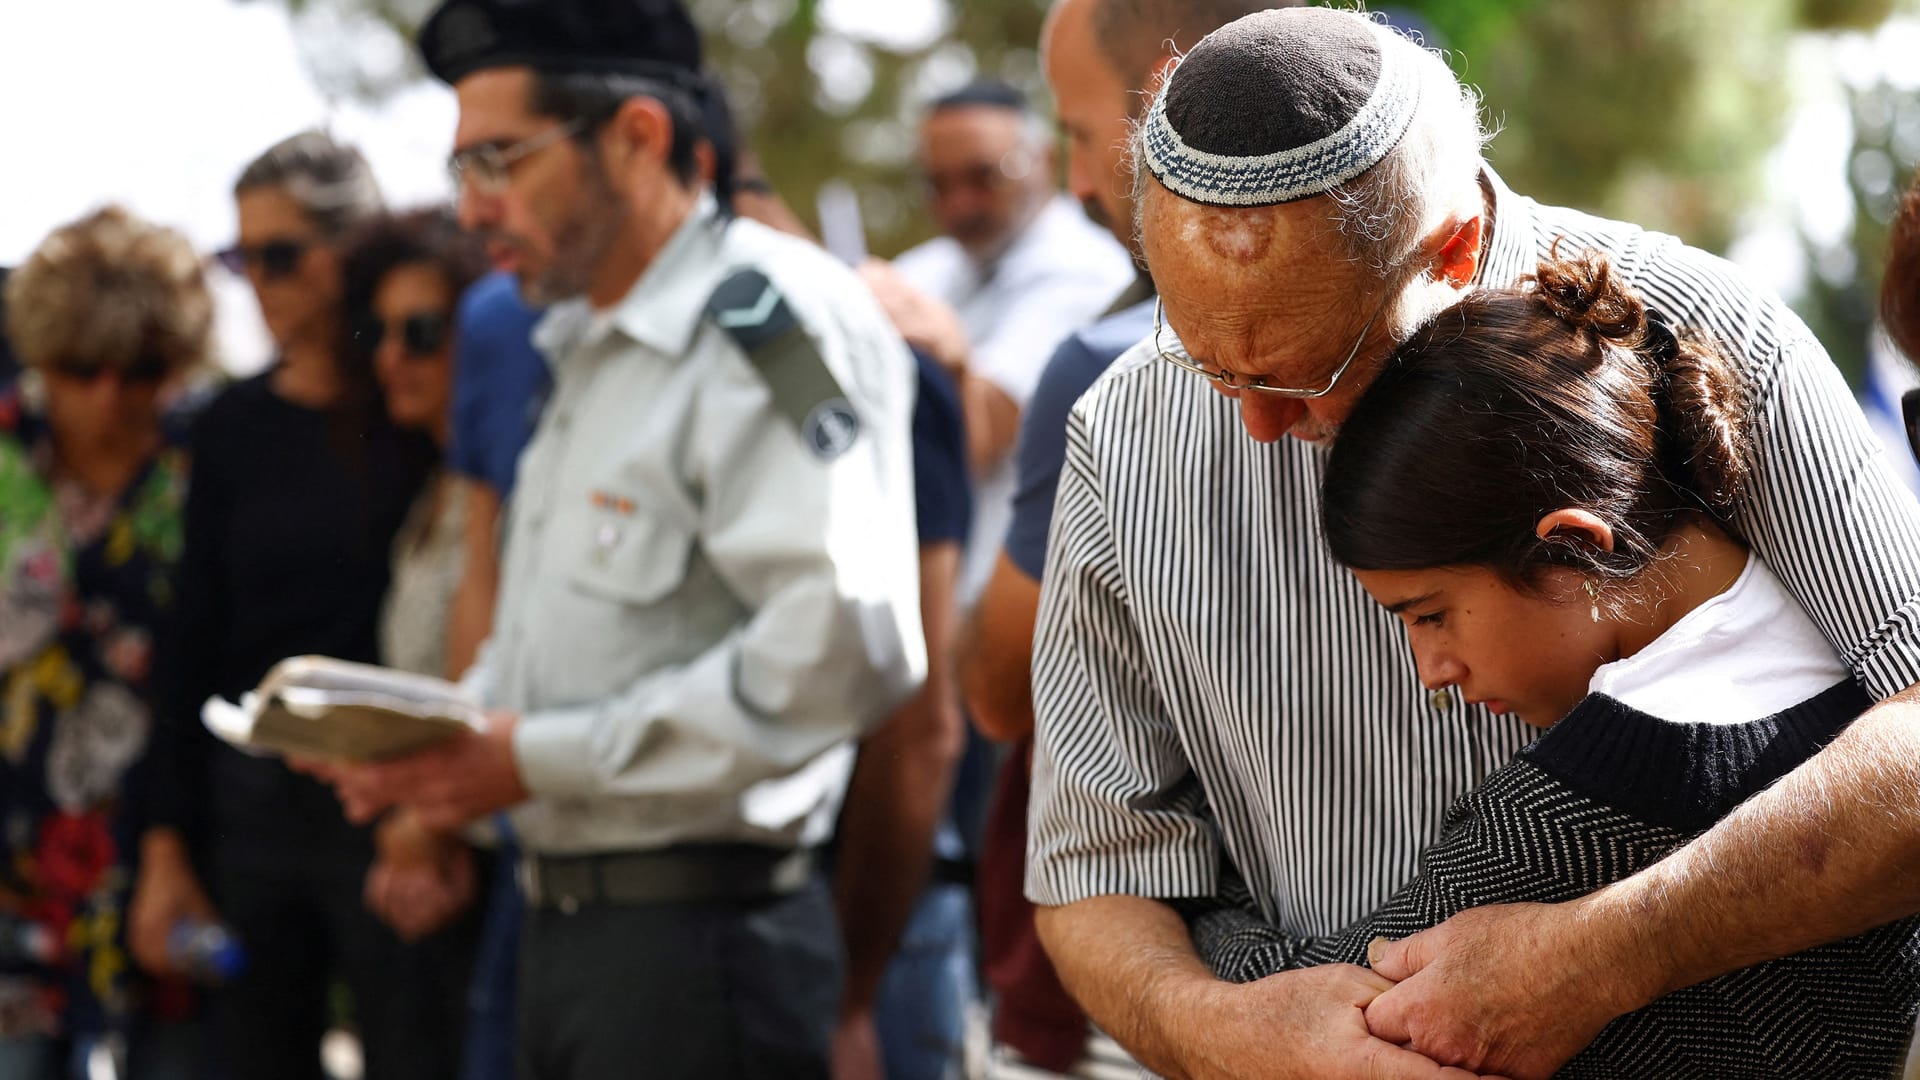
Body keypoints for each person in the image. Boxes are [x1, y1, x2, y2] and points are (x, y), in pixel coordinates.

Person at [1026, 9, 1920, 1079]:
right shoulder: (1122, 437)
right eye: (1208, 362)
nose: (1255, 426)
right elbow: (1091, 868)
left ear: (1449, 247)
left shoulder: (1707, 326)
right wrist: (1233, 1036)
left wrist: (1601, 957)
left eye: (1304, 371)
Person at [307, 2, 927, 1076]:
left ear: (638, 136)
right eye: (462, 166)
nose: (472, 205)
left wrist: (530, 759)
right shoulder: (586, 341)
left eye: (499, 159)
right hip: (569, 935)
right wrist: (443, 759)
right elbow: (566, 642)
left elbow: (843, 646)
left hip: (695, 952)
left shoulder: (771, 322)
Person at [1181, 248, 1920, 1076]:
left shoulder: (1569, 816)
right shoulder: (1857, 672)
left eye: (1430, 616)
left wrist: (1201, 914)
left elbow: (1319, 1002)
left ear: (1571, 547)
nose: (1430, 671)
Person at [957, 1, 1276, 1076]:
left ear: (1166, 101)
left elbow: (999, 691)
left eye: (1081, 135)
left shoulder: (1098, 367)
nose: (1081, 182)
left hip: (1131, 997)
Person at [130, 131, 458, 1080]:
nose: (260, 284)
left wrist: (430, 810)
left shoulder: (412, 404)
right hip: (251, 809)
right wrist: (165, 848)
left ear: (352, 249)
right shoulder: (231, 426)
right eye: (242, 259)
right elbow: (190, 639)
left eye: (281, 256)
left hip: (391, 801)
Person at [0, 206, 211, 1080]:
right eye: (81, 370)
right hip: (14, 845)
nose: (110, 398)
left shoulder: (206, 460)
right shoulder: (10, 450)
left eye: (141, 371)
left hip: (168, 840)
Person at [882, 80, 1134, 604]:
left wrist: (947, 355)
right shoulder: (927, 269)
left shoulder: (1085, 272)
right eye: (938, 185)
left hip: (1027, 599)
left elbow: (976, 440)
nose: (961, 205)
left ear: (1044, 158)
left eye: (983, 176)